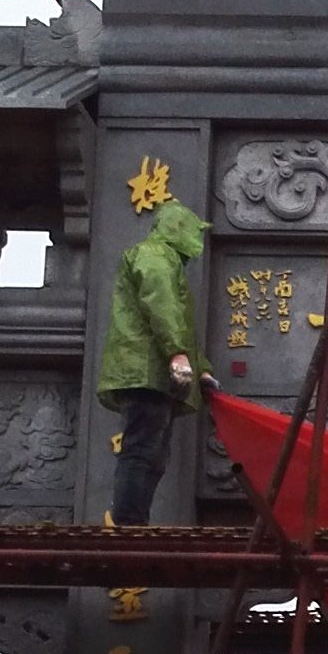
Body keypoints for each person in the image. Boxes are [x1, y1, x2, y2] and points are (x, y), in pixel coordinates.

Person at [101, 199, 208, 527]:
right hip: (144, 371)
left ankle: (135, 521)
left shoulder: (163, 259)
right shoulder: (155, 256)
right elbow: (161, 306)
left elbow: (180, 322)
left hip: (153, 374)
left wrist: (202, 369)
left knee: (153, 454)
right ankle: (129, 523)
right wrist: (176, 352)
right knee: (141, 450)